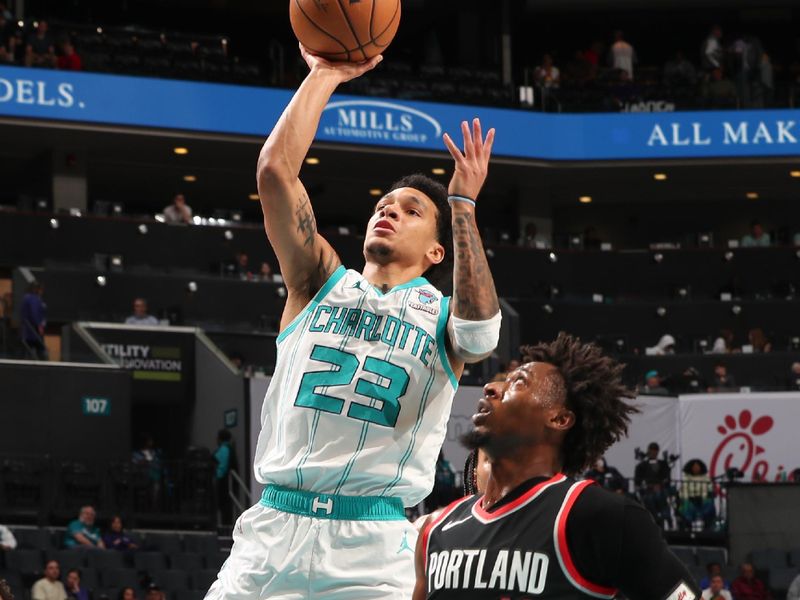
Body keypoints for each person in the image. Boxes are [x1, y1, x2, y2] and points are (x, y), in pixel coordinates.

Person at [205, 44, 501, 600]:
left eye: (411, 210)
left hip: (375, 543)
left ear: (438, 252)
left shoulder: (442, 318)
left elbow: (483, 334)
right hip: (272, 532)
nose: (388, 210)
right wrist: (323, 73)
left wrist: (462, 206)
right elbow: (274, 171)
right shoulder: (319, 281)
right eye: (384, 204)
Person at [414, 333, 700, 599]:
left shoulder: (598, 516)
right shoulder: (436, 529)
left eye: (518, 382)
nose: (491, 388)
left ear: (559, 419)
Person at [634, 442, 673, 529]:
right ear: (648, 451)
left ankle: (666, 519)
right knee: (650, 500)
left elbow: (667, 479)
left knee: (660, 498)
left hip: (661, 491)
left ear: (658, 451)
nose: (653, 452)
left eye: (655, 450)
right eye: (651, 450)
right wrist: (648, 486)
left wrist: (660, 485)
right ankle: (657, 519)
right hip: (647, 492)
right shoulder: (642, 465)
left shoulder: (663, 464)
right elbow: (637, 482)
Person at [678, 459, 715, 530]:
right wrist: (690, 498)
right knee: (685, 505)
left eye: (697, 466)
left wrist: (702, 497)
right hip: (690, 500)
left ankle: (707, 527)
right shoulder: (686, 479)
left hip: (702, 501)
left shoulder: (706, 479)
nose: (696, 468)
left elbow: (709, 490)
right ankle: (688, 525)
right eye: (694, 467)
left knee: (709, 503)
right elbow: (683, 491)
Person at [213, 429, 237, 526]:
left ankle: (225, 527)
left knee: (224, 508)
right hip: (229, 484)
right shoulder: (230, 448)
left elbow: (221, 468)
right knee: (227, 508)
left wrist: (216, 477)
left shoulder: (224, 449)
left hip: (224, 484)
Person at [21, 281, 47, 360]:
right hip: (33, 331)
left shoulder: (26, 298)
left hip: (28, 331)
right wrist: (39, 325)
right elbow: (34, 313)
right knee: (41, 351)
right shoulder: (33, 299)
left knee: (29, 351)